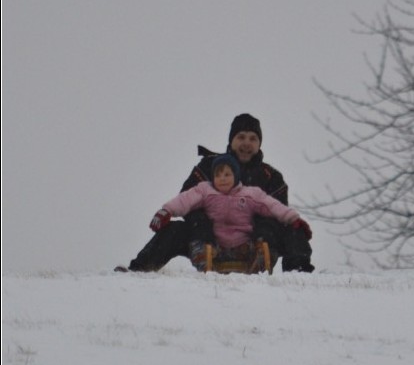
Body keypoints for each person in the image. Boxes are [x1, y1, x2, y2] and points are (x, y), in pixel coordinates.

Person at [122, 113, 315, 272]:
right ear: (231, 141)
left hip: (253, 243)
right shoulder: (209, 167)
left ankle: (299, 275)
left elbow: (277, 211)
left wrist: (265, 233)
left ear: (259, 144)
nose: (246, 143)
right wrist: (201, 228)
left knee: (294, 229)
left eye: (252, 138)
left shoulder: (271, 176)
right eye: (241, 137)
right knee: (174, 230)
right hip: (207, 240)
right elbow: (187, 199)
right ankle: (139, 270)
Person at [149, 153, 309, 263]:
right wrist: (167, 210)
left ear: (236, 176)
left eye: (227, 174)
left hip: (243, 244)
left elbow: (272, 206)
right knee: (175, 230)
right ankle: (143, 266)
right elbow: (186, 200)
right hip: (214, 245)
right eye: (218, 175)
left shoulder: (250, 194)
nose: (222, 179)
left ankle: (287, 269)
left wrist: (292, 218)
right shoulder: (205, 190)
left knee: (277, 233)